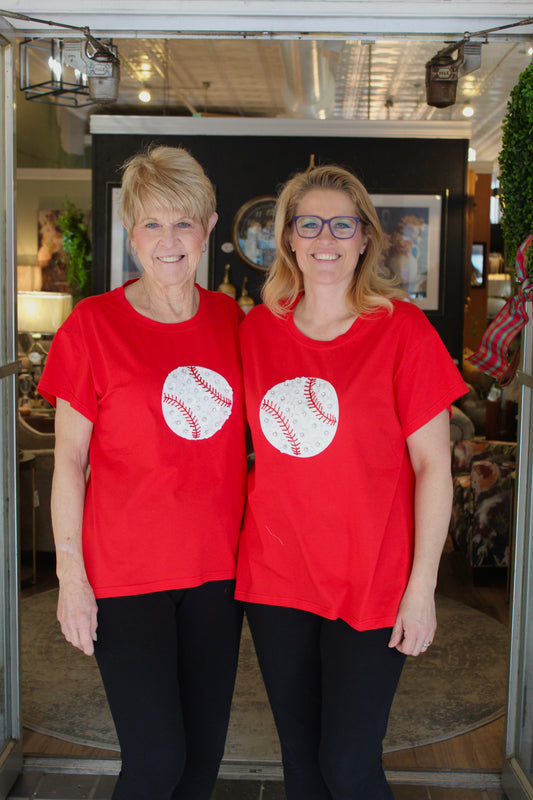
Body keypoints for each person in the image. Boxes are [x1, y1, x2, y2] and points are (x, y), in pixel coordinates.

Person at [235, 164, 467, 799]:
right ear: (288, 237)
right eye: (309, 223)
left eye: (343, 225)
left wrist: (423, 587)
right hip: (278, 576)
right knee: (301, 763)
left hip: (373, 579)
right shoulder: (257, 331)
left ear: (365, 237)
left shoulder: (403, 330)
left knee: (349, 764)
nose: (325, 238)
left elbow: (433, 467)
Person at [38, 145, 247, 800]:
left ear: (208, 227)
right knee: (156, 761)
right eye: (152, 224)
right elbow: (69, 462)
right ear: (131, 233)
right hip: (126, 578)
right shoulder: (92, 326)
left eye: (183, 222)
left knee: (201, 762)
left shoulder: (231, 320)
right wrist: (71, 578)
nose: (168, 240)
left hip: (218, 574)